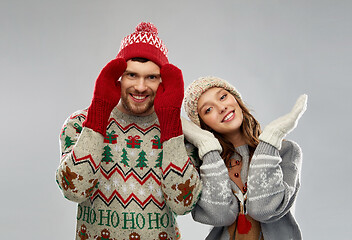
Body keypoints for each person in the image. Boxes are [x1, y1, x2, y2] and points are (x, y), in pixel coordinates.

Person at [55, 22, 202, 240]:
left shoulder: (184, 133)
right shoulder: (79, 123)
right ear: (118, 77)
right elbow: (74, 189)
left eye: (151, 77)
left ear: (163, 80)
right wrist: (98, 113)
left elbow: (183, 204)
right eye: (132, 75)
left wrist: (171, 125)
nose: (141, 86)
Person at [182, 76, 307, 240]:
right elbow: (219, 215)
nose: (221, 107)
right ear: (203, 125)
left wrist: (271, 138)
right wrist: (207, 146)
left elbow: (264, 209)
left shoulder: (285, 151)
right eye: (208, 110)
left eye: (223, 96)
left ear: (236, 99)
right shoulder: (206, 164)